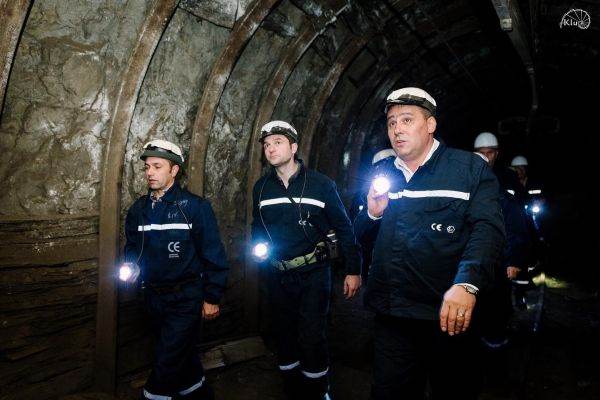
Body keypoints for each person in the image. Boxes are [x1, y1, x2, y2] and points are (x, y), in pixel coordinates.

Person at [354, 87, 505, 399]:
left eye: (407, 120)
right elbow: (358, 237)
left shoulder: (468, 169)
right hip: (393, 317)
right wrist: (372, 213)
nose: (397, 130)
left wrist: (468, 284)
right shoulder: (382, 173)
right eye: (392, 123)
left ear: (431, 124)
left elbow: (488, 230)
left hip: (448, 317)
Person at [250, 120, 362, 400]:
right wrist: (260, 253)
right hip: (278, 274)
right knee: (284, 335)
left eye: (277, 142)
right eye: (266, 144)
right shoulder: (261, 188)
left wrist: (353, 269)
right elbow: (257, 227)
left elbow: (344, 227)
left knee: (311, 335)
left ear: (294, 147)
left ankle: (317, 391)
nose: (270, 148)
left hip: (314, 272)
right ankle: (292, 390)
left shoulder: (322, 185)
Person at [122, 139, 229, 400]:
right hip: (153, 298)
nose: (149, 172)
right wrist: (130, 266)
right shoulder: (139, 210)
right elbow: (133, 247)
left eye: (157, 166)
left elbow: (213, 254)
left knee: (166, 362)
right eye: (147, 167)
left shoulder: (194, 208)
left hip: (185, 299)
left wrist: (212, 296)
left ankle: (153, 396)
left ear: (174, 170)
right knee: (183, 357)